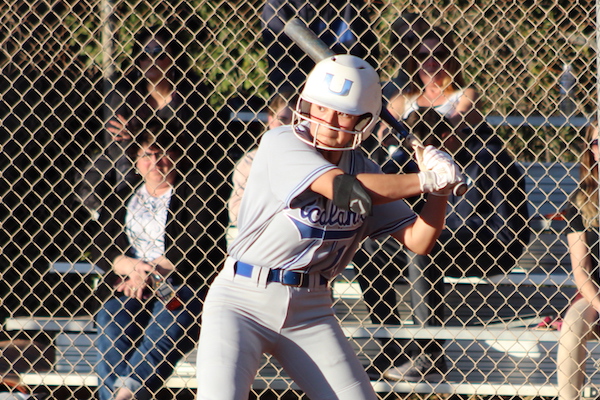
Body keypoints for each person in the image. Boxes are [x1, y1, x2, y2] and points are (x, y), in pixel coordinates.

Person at [195, 54, 464, 400]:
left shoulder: (366, 167)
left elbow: (420, 240)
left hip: (312, 309)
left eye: (343, 113)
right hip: (241, 300)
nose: (327, 120)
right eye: (321, 108)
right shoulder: (282, 143)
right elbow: (347, 191)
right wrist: (425, 179)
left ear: (364, 121)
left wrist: (440, 190)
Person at [354, 107, 530, 381]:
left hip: (491, 247)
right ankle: (392, 348)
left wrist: (448, 232)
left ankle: (430, 354)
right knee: (367, 248)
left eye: (421, 149)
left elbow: (506, 231)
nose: (417, 158)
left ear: (447, 138)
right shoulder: (408, 161)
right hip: (438, 246)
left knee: (425, 247)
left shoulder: (488, 159)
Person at [90, 128, 226, 400]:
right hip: (132, 283)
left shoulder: (196, 191)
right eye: (147, 154)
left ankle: (125, 395)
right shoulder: (124, 194)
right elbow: (101, 243)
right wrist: (130, 268)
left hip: (177, 282)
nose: (156, 161)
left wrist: (151, 272)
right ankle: (122, 395)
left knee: (165, 326)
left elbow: (197, 240)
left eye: (164, 153)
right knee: (111, 319)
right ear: (136, 160)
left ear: (177, 156)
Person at [77, 24, 216, 213]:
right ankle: (125, 213)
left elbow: (195, 141)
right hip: (132, 162)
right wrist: (140, 142)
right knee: (113, 165)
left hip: (176, 163)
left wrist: (136, 135)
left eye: (158, 52)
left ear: (174, 57)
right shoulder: (124, 93)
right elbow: (115, 142)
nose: (150, 59)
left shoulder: (191, 93)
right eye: (144, 53)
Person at [556, 121, 600, 400]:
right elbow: (581, 271)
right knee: (571, 327)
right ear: (591, 150)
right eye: (597, 142)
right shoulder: (581, 201)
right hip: (595, 292)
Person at [384, 27, 484, 139]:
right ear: (415, 62)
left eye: (439, 55)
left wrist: (409, 131)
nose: (431, 63)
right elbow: (384, 134)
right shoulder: (403, 97)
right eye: (423, 56)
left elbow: (454, 125)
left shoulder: (465, 95)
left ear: (450, 60)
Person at [261, 0, 380, 93]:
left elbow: (369, 54)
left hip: (348, 90)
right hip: (299, 92)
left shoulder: (350, 4)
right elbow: (281, 64)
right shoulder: (279, 6)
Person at [228, 90, 296, 227]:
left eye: (297, 121)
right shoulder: (251, 161)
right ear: (270, 120)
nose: (289, 127)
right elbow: (235, 213)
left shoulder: (310, 160)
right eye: (282, 120)